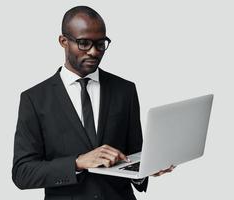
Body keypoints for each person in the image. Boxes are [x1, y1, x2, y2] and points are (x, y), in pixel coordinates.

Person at [12, 5, 174, 200]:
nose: (93, 52)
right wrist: (77, 163)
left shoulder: (125, 90)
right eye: (84, 43)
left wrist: (146, 169)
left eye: (100, 44)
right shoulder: (35, 99)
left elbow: (134, 154)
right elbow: (22, 173)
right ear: (63, 41)